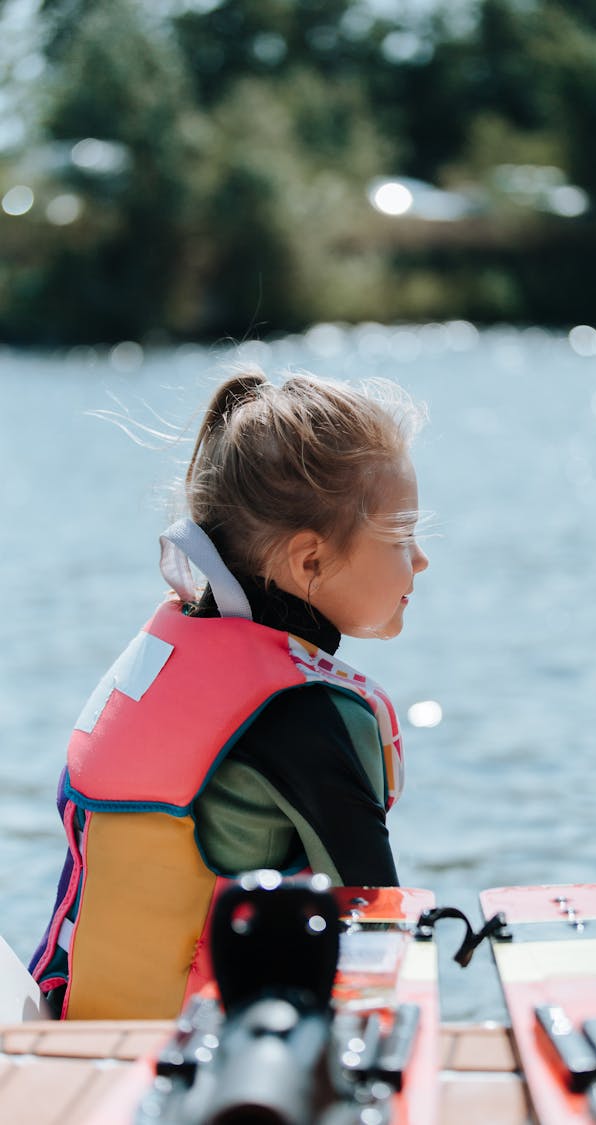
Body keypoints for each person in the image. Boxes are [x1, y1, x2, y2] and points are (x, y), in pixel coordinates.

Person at [30, 368, 429, 1020]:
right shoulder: (307, 712)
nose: (419, 560)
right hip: (189, 1067)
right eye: (400, 536)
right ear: (309, 561)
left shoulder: (170, 646)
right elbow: (376, 923)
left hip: (78, 1034)